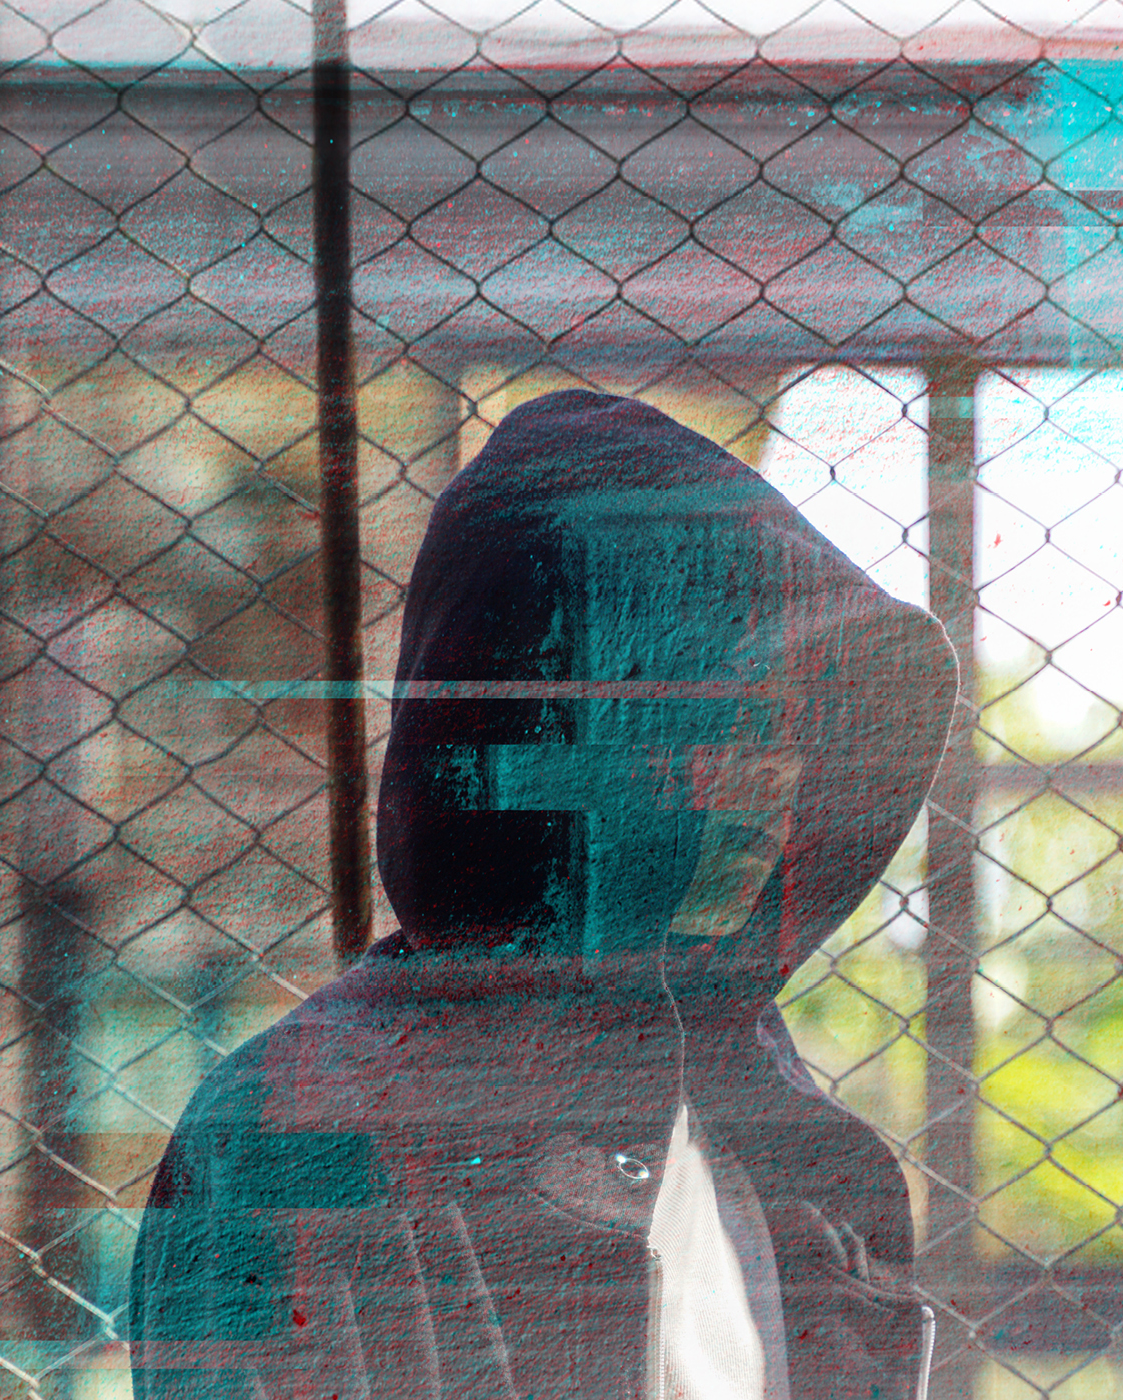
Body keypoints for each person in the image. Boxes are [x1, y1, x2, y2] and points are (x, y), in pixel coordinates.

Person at [128, 390, 957, 1399]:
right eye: (712, 723)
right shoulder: (295, 1130)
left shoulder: (803, 1150)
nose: (767, 781)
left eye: (786, 732)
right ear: (544, 732)